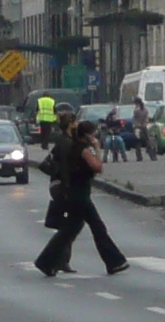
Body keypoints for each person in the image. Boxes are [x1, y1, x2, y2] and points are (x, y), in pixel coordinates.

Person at [35, 115, 129, 277]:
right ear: (86, 135)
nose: (95, 137)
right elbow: (97, 167)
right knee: (98, 227)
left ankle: (46, 262)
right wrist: (98, 149)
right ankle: (114, 261)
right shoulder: (83, 149)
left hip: (74, 192)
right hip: (79, 194)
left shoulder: (73, 146)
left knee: (69, 230)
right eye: (93, 134)